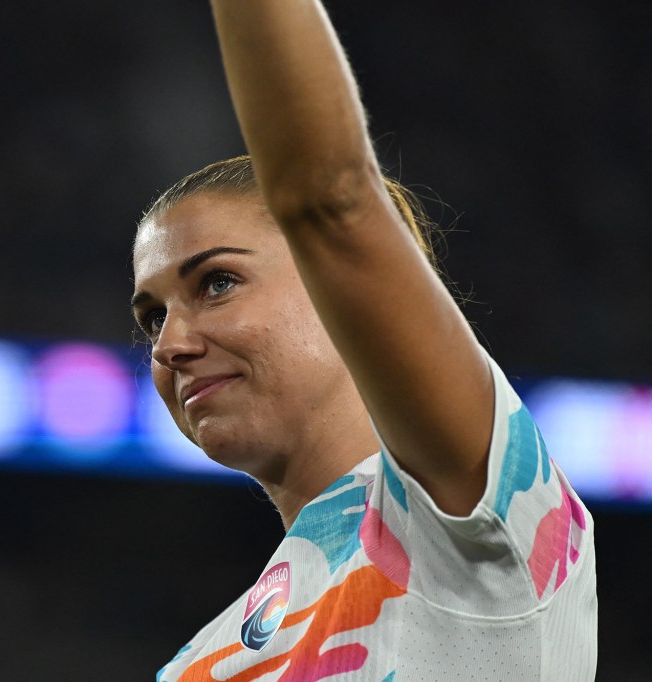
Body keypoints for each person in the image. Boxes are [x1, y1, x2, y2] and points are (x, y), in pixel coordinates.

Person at [130, 1, 598, 680]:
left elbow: (330, 200)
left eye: (218, 283)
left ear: (339, 290)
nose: (169, 345)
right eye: (151, 318)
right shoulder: (198, 662)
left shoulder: (470, 508)